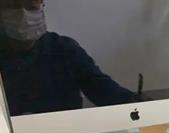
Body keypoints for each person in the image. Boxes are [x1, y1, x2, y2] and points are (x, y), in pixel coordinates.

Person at [0, 0, 138, 116]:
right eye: (12, 7)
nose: (23, 15)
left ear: (42, 7)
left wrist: (138, 105)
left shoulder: (64, 49)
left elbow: (102, 88)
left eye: (31, 6)